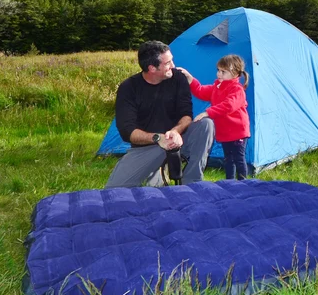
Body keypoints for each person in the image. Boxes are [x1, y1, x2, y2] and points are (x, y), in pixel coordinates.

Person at [105, 41, 214, 188]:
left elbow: (186, 114)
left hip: (178, 139)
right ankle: (157, 172)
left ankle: (192, 183)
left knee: (206, 125)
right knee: (114, 189)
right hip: (148, 146)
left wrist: (175, 132)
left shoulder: (178, 78)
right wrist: (158, 138)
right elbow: (127, 131)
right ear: (152, 68)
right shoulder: (129, 88)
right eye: (168, 63)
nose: (173, 66)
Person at [179, 54, 250, 180]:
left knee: (238, 158)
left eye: (223, 71)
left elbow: (229, 105)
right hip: (225, 133)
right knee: (228, 159)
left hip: (238, 132)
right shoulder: (217, 87)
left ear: (236, 74)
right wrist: (190, 79)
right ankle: (230, 182)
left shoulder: (237, 90)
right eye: (218, 70)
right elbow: (200, 90)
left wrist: (208, 112)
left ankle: (243, 182)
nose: (219, 74)